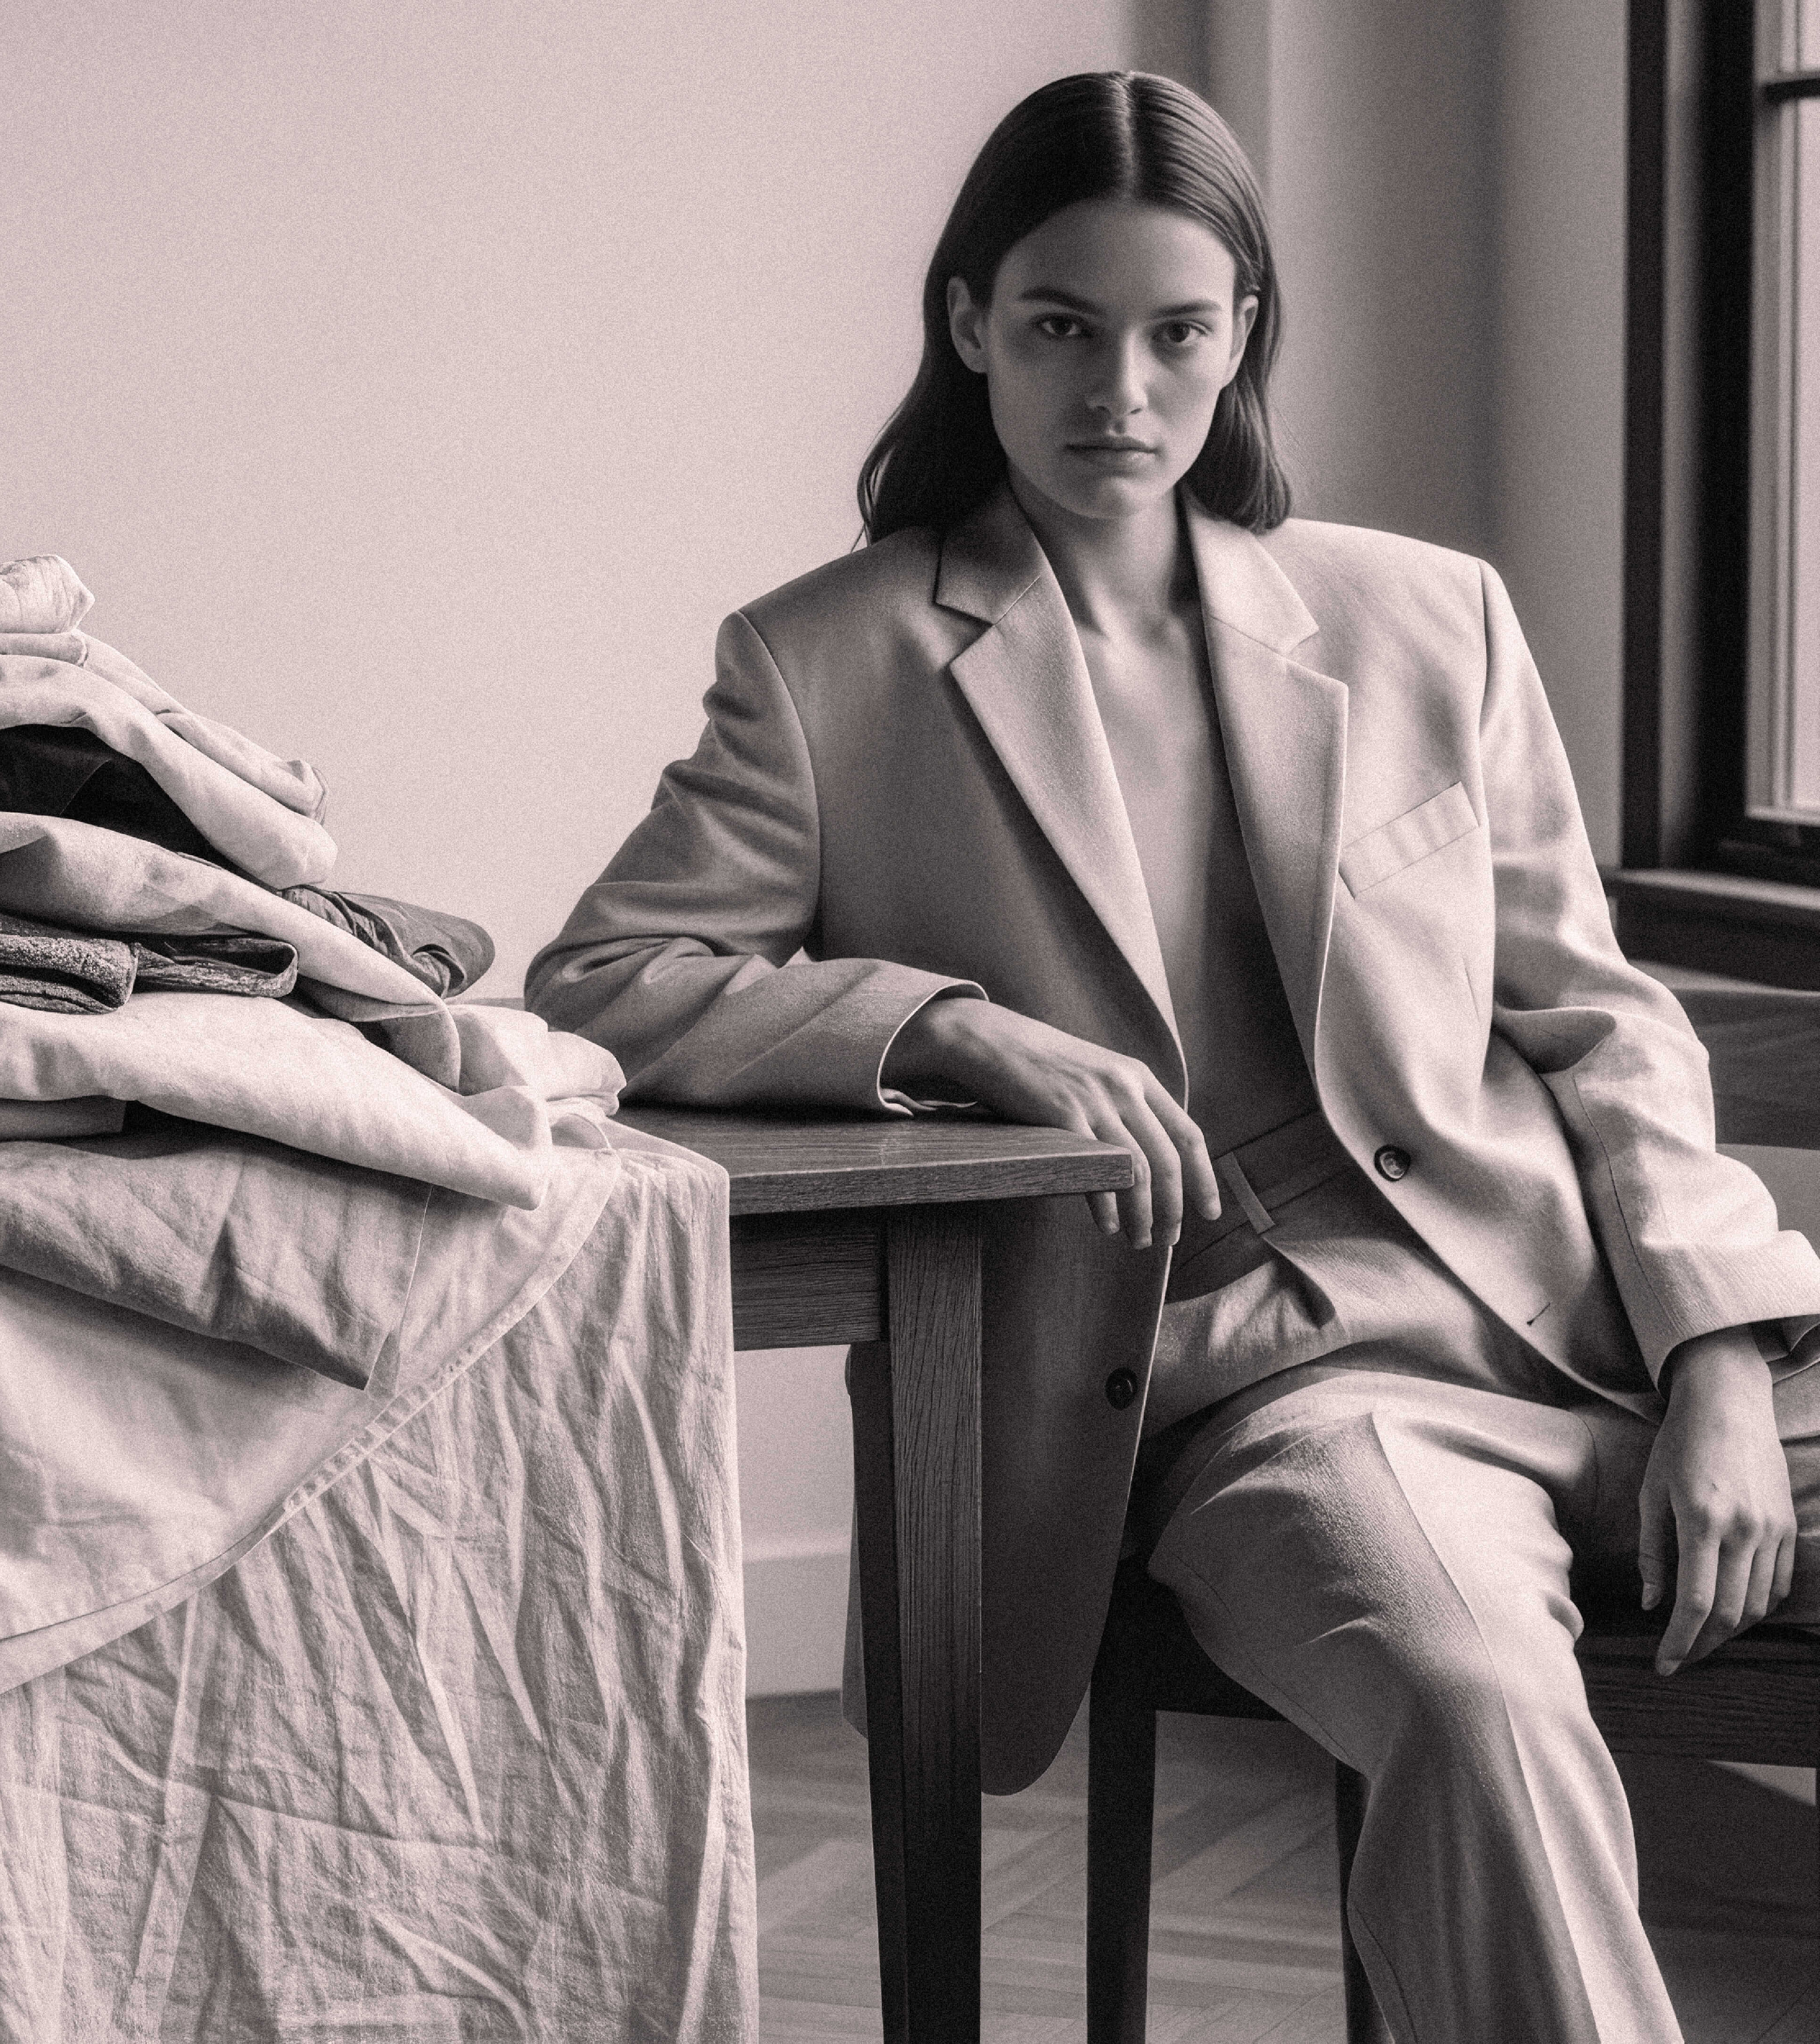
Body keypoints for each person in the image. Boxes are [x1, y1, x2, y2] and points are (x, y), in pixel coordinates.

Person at [526, 69, 1820, 2044]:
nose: (1117, 391)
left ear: (1241, 340)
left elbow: (1595, 1013)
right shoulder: (829, 662)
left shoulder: (1429, 620)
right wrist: (949, 1029)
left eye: (1175, 334)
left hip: (1602, 1327)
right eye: (1061, 326)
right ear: (971, 325)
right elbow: (604, 979)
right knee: (1475, 1703)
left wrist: (1719, 1352)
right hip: (1283, 1398)